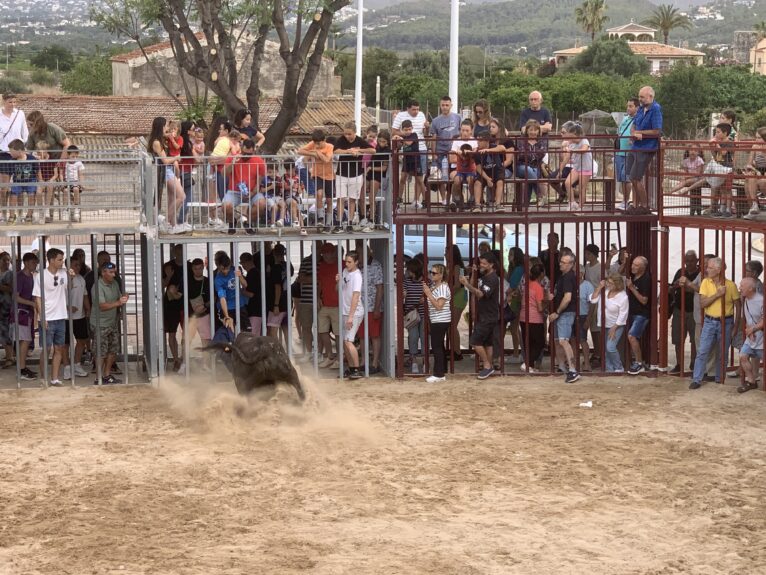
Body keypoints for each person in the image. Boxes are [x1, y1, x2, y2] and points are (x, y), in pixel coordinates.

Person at [689, 257, 741, 389]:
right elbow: (702, 303)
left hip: (726, 322)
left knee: (722, 352)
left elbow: (738, 306)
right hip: (710, 321)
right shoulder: (706, 282)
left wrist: (736, 325)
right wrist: (717, 295)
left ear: (718, 270)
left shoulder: (731, 285)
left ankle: (720, 377)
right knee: (702, 350)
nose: (707, 270)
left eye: (710, 268)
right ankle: (697, 379)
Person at [33, 248, 72, 387]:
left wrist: (71, 276)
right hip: (48, 317)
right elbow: (37, 298)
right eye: (60, 260)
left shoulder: (64, 273)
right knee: (47, 349)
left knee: (59, 348)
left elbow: (70, 287)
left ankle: (54, 378)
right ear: (51, 260)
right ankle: (44, 378)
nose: (62, 262)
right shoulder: (40, 275)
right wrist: (42, 317)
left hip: (61, 316)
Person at [460, 252, 500, 380]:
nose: (481, 265)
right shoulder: (484, 275)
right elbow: (474, 285)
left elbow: (480, 294)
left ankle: (487, 366)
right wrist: (474, 274)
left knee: (475, 341)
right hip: (484, 315)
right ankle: (489, 367)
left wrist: (466, 284)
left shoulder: (493, 279)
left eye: (484, 263)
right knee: (488, 343)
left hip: (488, 316)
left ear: (491, 264)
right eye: (480, 263)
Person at [90, 261, 128, 384]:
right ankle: (98, 378)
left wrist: (124, 296)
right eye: (111, 272)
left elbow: (119, 296)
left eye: (114, 272)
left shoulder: (115, 283)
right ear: (103, 273)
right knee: (101, 352)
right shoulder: (97, 286)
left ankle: (106, 375)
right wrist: (119, 303)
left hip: (112, 322)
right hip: (100, 324)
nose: (114, 275)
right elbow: (102, 306)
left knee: (113, 350)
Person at [147, 117, 187, 234]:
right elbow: (164, 160)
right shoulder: (156, 142)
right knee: (181, 196)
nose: (167, 128)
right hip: (165, 171)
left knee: (172, 198)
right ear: (161, 127)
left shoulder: (160, 140)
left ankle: (172, 225)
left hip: (167, 170)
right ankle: (166, 221)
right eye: (165, 126)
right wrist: (176, 158)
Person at [628, 86, 662, 214]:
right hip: (636, 146)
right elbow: (635, 123)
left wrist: (639, 132)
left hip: (647, 147)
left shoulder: (655, 109)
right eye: (640, 97)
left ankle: (644, 205)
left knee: (635, 177)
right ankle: (636, 205)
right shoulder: (641, 109)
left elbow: (657, 130)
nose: (640, 99)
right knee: (631, 177)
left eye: (642, 97)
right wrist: (634, 132)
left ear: (650, 97)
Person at [334, 122, 375, 230]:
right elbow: (335, 150)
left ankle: (350, 222)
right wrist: (348, 151)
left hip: (356, 174)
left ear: (355, 133)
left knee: (352, 199)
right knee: (340, 198)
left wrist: (359, 150)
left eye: (349, 134)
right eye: (346, 134)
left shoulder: (360, 140)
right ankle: (338, 222)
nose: (347, 136)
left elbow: (372, 150)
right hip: (341, 173)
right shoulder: (341, 140)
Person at [222, 138, 268, 233]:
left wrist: (252, 193)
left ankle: (248, 223)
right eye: (244, 153)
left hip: (252, 191)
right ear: (241, 149)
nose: (246, 156)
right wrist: (232, 163)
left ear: (253, 150)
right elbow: (224, 174)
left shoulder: (259, 160)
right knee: (226, 206)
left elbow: (259, 181)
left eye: (249, 154)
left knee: (262, 204)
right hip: (234, 191)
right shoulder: (232, 157)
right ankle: (232, 222)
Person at [549, 253, 580, 383]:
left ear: (571, 264)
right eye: (561, 261)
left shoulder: (568, 277)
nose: (561, 264)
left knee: (563, 341)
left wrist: (557, 311)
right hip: (563, 313)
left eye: (564, 262)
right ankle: (562, 367)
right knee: (558, 340)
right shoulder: (564, 277)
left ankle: (573, 370)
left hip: (565, 313)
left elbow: (567, 298)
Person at [590, 273, 629, 373]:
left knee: (610, 347)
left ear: (618, 284)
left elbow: (623, 314)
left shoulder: (623, 296)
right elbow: (593, 300)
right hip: (604, 324)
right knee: (605, 348)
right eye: (608, 282)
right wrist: (599, 287)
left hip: (616, 325)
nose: (608, 285)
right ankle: (609, 369)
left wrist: (615, 327)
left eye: (611, 283)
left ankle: (619, 367)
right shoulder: (605, 291)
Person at [669, 250, 699, 375]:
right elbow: (671, 288)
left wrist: (687, 287)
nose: (689, 263)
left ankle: (694, 363)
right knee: (678, 339)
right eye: (687, 261)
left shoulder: (700, 273)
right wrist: (675, 286)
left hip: (694, 311)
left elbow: (700, 290)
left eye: (692, 260)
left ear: (697, 261)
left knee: (694, 339)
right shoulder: (680, 272)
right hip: (679, 310)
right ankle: (679, 364)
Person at [297, 128, 334, 229]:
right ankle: (321, 218)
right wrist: (313, 153)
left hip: (329, 175)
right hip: (317, 174)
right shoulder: (313, 144)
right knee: (319, 194)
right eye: (315, 143)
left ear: (324, 140)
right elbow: (300, 151)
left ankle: (328, 222)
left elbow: (327, 159)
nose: (317, 145)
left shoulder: (329, 146)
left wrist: (319, 153)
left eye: (319, 143)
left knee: (329, 199)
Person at [0, 93, 29, 224]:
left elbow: (25, 132)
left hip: (18, 153)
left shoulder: (20, 114)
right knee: (4, 187)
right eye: (10, 102)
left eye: (14, 102)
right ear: (4, 101)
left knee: (20, 184)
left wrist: (23, 146)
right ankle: (3, 213)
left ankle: (21, 213)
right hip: (4, 153)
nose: (12, 105)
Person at [430, 96, 462, 204]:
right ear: (440, 105)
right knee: (441, 177)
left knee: (455, 175)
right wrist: (433, 153)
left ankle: (454, 198)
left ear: (451, 105)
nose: (444, 107)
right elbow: (433, 138)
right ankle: (444, 199)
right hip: (441, 151)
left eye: (447, 105)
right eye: (443, 105)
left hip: (454, 151)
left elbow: (462, 133)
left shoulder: (458, 118)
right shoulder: (435, 121)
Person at [62, 257, 90, 380]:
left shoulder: (81, 279)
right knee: (65, 344)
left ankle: (77, 364)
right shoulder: (63, 279)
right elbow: (57, 296)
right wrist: (67, 307)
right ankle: (67, 367)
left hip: (80, 316)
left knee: (82, 341)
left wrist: (88, 309)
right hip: (65, 317)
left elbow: (85, 295)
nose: (78, 267)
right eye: (75, 265)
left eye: (79, 265)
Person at [338, 250, 364, 379]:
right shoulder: (345, 272)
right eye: (345, 261)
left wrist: (351, 316)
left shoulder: (357, 276)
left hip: (354, 312)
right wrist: (337, 281)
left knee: (349, 341)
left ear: (356, 262)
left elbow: (355, 296)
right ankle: (351, 368)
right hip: (345, 311)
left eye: (349, 262)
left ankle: (356, 369)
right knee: (344, 341)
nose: (346, 264)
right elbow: (338, 289)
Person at [424, 264, 451, 383]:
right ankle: (441, 370)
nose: (431, 275)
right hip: (436, 319)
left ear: (441, 275)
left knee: (437, 346)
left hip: (441, 320)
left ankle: (439, 374)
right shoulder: (435, 286)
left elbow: (439, 306)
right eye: (431, 272)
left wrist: (428, 294)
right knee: (439, 345)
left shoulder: (443, 288)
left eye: (434, 273)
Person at [12, 252, 37, 380]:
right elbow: (16, 297)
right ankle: (21, 369)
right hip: (20, 313)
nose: (35, 265)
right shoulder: (20, 277)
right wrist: (32, 303)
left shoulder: (31, 277)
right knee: (25, 340)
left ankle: (23, 366)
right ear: (26, 263)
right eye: (33, 262)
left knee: (26, 340)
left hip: (27, 313)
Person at [360, 247, 384, 374]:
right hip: (360, 308)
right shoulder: (357, 265)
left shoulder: (376, 265)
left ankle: (374, 363)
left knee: (374, 335)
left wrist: (376, 308)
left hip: (371, 307)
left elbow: (380, 288)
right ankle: (364, 362)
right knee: (363, 337)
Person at [514, 119, 549, 207]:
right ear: (527, 130)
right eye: (531, 130)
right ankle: (541, 196)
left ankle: (525, 204)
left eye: (535, 130)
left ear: (538, 131)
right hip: (521, 167)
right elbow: (521, 155)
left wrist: (530, 155)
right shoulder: (521, 141)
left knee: (531, 177)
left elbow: (542, 153)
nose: (533, 132)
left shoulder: (542, 141)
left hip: (536, 167)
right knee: (529, 170)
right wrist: (533, 156)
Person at [519, 263, 546, 373]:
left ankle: (529, 366)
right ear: (541, 274)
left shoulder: (527, 285)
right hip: (534, 318)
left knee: (528, 343)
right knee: (540, 343)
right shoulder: (538, 287)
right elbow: (540, 308)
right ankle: (527, 363)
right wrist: (548, 301)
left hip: (523, 317)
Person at [626, 256, 651, 375]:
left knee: (632, 336)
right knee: (633, 337)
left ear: (643, 267)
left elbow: (644, 300)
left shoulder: (646, 279)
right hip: (632, 312)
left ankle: (639, 363)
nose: (632, 267)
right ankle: (636, 361)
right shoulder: (634, 276)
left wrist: (631, 288)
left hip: (642, 313)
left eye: (636, 265)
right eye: (632, 264)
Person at [737, 277, 763, 393]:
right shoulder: (746, 299)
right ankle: (751, 382)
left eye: (742, 286)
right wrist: (749, 331)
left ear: (751, 288)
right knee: (743, 356)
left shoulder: (761, 300)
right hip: (752, 336)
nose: (740, 288)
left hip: (762, 337)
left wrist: (753, 329)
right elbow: (748, 318)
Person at [559, 121, 592, 211]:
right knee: (567, 183)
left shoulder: (584, 140)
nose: (570, 139)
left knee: (582, 188)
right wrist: (560, 170)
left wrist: (573, 151)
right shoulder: (571, 143)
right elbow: (566, 158)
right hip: (577, 167)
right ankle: (572, 202)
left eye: (571, 137)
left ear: (577, 135)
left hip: (586, 167)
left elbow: (584, 149)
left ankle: (581, 208)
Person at [392, 99, 429, 179]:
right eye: (413, 109)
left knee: (420, 177)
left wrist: (427, 128)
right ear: (408, 109)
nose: (416, 111)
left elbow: (425, 133)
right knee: (403, 177)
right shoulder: (400, 115)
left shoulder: (421, 114)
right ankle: (400, 191)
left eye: (417, 109)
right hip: (407, 150)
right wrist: (407, 135)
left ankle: (418, 192)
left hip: (421, 148)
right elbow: (394, 131)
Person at [318, 243, 341, 369]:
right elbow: (320, 283)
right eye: (324, 253)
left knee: (338, 334)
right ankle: (330, 356)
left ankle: (338, 359)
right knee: (322, 331)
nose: (325, 256)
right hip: (325, 303)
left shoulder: (342, 264)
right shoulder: (322, 266)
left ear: (333, 253)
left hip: (337, 305)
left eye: (327, 253)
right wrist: (318, 297)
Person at [394, 119, 426, 210]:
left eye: (409, 129)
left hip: (416, 160)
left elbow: (409, 142)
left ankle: (425, 200)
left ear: (412, 128)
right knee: (402, 179)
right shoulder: (403, 137)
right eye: (405, 130)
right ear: (402, 130)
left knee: (420, 180)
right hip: (407, 160)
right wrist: (397, 140)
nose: (408, 131)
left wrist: (401, 138)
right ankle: (399, 199)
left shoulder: (414, 135)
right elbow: (400, 146)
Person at [162, 244, 185, 371]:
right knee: (171, 333)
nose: (180, 254)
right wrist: (169, 276)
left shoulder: (188, 266)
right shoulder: (168, 266)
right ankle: (176, 359)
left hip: (185, 304)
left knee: (186, 334)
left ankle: (183, 358)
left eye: (182, 251)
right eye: (178, 251)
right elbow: (162, 285)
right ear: (174, 252)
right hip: (170, 304)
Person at [214, 252, 248, 333]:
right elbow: (222, 298)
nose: (225, 271)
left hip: (240, 305)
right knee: (229, 332)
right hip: (227, 307)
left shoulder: (234, 270)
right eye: (223, 269)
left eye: (227, 268)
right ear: (218, 266)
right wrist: (227, 316)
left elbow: (245, 285)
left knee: (246, 331)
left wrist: (240, 276)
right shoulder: (218, 279)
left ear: (230, 265)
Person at [7, 139, 38, 224]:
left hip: (30, 180)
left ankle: (29, 216)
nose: (10, 153)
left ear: (19, 151)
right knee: (13, 196)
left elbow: (37, 171)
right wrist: (7, 184)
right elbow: (9, 173)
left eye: (12, 151)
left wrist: (40, 181)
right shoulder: (12, 160)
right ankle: (12, 216)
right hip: (17, 181)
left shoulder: (32, 158)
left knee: (32, 195)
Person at [364, 130, 390, 230]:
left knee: (372, 197)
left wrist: (371, 168)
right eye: (379, 141)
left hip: (378, 175)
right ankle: (370, 218)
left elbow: (384, 168)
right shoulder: (376, 148)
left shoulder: (387, 151)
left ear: (387, 141)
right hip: (371, 173)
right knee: (369, 197)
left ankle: (372, 219)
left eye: (383, 141)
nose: (381, 143)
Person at [615, 98, 638, 210]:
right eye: (628, 106)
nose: (628, 108)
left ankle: (627, 201)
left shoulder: (638, 119)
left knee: (626, 177)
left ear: (637, 107)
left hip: (629, 152)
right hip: (620, 151)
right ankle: (625, 200)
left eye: (631, 106)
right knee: (621, 178)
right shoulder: (625, 118)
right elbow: (619, 131)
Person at [404, 258, 426, 374]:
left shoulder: (427, 281)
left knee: (424, 337)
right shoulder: (407, 281)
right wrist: (403, 294)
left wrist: (426, 297)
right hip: (411, 314)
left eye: (409, 269)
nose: (407, 272)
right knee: (412, 337)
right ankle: (414, 362)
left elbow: (433, 294)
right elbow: (402, 293)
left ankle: (424, 361)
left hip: (424, 314)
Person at [185, 258, 211, 349]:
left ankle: (207, 362)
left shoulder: (208, 281)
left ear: (203, 267)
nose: (198, 271)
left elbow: (214, 298)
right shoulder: (187, 281)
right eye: (195, 268)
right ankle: (185, 361)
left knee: (206, 340)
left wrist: (204, 306)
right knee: (186, 340)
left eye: (200, 268)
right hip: (190, 315)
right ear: (192, 268)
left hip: (204, 315)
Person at [448, 244, 468, 361]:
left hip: (458, 297)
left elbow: (456, 285)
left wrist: (446, 293)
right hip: (457, 297)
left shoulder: (456, 267)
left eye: (447, 251)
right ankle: (454, 350)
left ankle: (457, 352)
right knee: (451, 326)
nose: (445, 253)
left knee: (452, 326)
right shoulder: (454, 266)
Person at [744, 126, 766, 220]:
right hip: (758, 171)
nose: (756, 140)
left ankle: (754, 208)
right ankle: (754, 206)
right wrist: (756, 171)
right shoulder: (755, 146)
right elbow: (748, 164)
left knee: (762, 182)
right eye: (756, 137)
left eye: (759, 138)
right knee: (749, 178)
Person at [577, 269, 594, 372]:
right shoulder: (570, 283)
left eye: (577, 271)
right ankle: (574, 364)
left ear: (582, 273)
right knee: (572, 340)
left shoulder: (588, 285)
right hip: (572, 315)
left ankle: (587, 364)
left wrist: (588, 318)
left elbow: (592, 303)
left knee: (582, 340)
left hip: (583, 315)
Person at [63, 145, 85, 223]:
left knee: (76, 189)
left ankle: (76, 208)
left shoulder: (79, 163)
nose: (74, 158)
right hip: (67, 182)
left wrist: (81, 184)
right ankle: (65, 209)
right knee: (65, 191)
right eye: (72, 156)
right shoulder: (65, 163)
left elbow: (81, 174)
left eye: (76, 156)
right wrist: (63, 181)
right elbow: (62, 173)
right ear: (68, 155)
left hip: (76, 182)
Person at [0, 251, 13, 366]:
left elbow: (10, 289)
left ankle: (10, 356)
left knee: (5, 331)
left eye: (8, 260)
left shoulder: (10, 274)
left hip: (6, 306)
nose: (7, 262)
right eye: (4, 260)